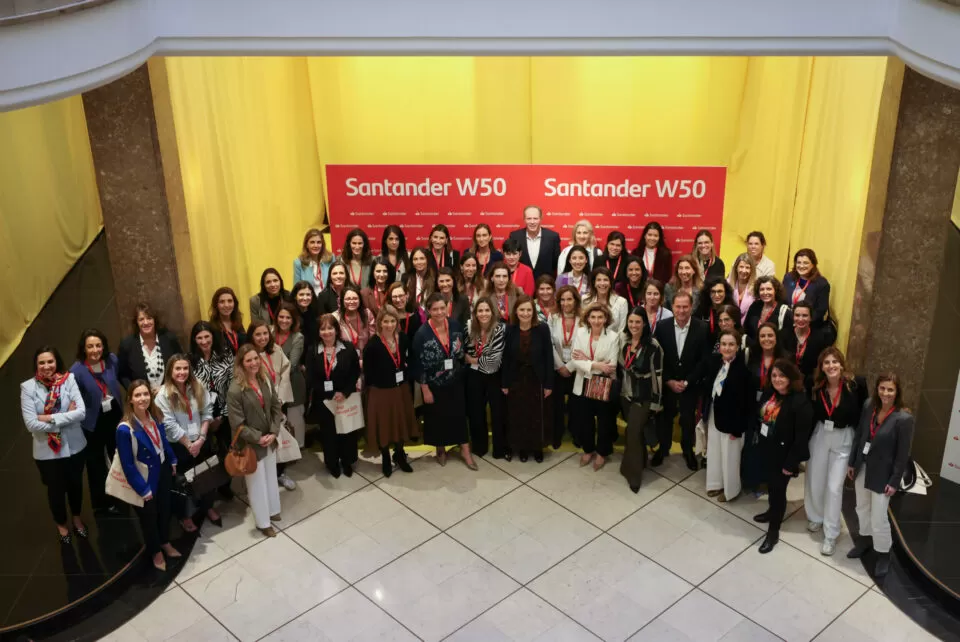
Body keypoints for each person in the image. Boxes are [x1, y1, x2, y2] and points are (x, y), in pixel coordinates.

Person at [846, 372, 914, 577]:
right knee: (861, 507)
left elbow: (902, 454)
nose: (885, 393)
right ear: (877, 388)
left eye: (890, 389)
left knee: (879, 516)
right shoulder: (869, 405)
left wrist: (894, 481)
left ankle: (884, 553)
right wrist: (852, 462)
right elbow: (860, 434)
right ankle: (865, 540)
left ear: (897, 392)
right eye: (882, 388)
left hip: (883, 474)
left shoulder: (903, 419)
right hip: (863, 467)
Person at [804, 348, 868, 556]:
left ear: (841, 364)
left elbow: (863, 416)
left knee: (834, 487)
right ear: (821, 367)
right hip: (821, 434)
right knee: (815, 479)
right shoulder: (816, 386)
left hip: (844, 438)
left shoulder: (856, 385)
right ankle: (816, 516)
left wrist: (860, 450)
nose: (831, 366)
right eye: (826, 363)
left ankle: (831, 533)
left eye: (834, 362)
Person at [22, 347, 88, 543]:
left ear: (56, 361)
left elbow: (81, 412)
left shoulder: (69, 379)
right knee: (56, 491)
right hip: (47, 453)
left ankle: (76, 518)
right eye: (41, 362)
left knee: (76, 486)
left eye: (50, 361)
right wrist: (66, 416)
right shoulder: (27, 388)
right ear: (36, 365)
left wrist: (48, 418)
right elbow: (31, 424)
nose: (46, 366)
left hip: (75, 447)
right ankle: (61, 525)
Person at [117, 380, 181, 569]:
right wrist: (142, 489)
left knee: (165, 509)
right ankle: (155, 551)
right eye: (137, 395)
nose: (143, 398)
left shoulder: (155, 415)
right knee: (149, 517)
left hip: (162, 470)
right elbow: (128, 465)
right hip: (145, 477)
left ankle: (165, 541)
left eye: (145, 394)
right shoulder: (125, 429)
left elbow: (163, 441)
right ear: (130, 400)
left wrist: (172, 459)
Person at [754, 359, 813, 554]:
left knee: (778, 492)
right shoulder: (770, 393)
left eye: (782, 376)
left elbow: (801, 438)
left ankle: (773, 531)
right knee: (771, 488)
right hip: (767, 450)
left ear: (790, 378)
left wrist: (791, 464)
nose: (777, 379)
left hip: (785, 456)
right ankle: (771, 512)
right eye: (774, 375)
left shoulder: (800, 401)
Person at [155, 354, 219, 532]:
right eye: (178, 368)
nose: (182, 372)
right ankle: (185, 516)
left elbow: (207, 412)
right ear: (170, 371)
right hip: (179, 446)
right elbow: (169, 425)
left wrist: (201, 439)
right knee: (181, 483)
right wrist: (189, 445)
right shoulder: (162, 395)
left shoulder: (198, 386)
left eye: (185, 368)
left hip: (200, 439)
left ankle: (207, 506)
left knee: (206, 475)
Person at [412, 293, 476, 469]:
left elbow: (461, 350)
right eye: (435, 309)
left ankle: (465, 450)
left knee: (459, 416)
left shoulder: (455, 326)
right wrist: (425, 389)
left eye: (442, 308)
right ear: (429, 310)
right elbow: (418, 364)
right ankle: (440, 449)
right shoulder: (422, 334)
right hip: (434, 384)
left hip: (456, 379)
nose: (440, 312)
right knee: (436, 418)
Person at [227, 346, 282, 537]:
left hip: (269, 438)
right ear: (241, 364)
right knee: (257, 484)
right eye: (248, 360)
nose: (254, 363)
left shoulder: (264, 379)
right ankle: (263, 522)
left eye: (256, 359)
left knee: (271, 477)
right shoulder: (235, 390)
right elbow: (237, 424)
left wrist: (274, 432)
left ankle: (273, 510)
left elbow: (276, 406)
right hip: (251, 444)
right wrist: (258, 438)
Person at [653, 291, 711, 470]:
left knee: (687, 419)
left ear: (691, 307)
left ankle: (688, 450)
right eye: (678, 306)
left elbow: (703, 360)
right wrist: (668, 380)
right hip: (668, 384)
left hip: (690, 384)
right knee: (665, 418)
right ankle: (663, 449)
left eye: (685, 306)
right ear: (672, 307)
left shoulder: (702, 328)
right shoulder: (662, 327)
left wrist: (688, 382)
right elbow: (658, 357)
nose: (682, 310)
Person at [70, 329, 123, 515]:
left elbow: (117, 380)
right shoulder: (76, 371)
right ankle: (102, 501)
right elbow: (73, 399)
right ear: (83, 349)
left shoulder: (112, 360)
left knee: (119, 454)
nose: (95, 350)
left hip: (114, 413)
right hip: (92, 420)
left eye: (98, 345)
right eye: (90, 346)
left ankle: (122, 491)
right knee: (96, 463)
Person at [363, 306, 418, 477]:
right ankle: (386, 457)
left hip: (400, 389)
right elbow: (368, 373)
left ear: (397, 322)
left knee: (401, 423)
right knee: (384, 425)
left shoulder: (403, 338)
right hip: (381, 392)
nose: (389, 325)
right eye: (385, 321)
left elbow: (409, 358)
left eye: (393, 321)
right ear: (379, 322)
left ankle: (399, 454)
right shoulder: (372, 345)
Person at [306, 315, 362, 478]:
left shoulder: (348, 348)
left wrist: (344, 392)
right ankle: (332, 463)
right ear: (318, 332)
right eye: (322, 329)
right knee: (329, 433)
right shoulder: (312, 350)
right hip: (324, 400)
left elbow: (355, 372)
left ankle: (347, 461)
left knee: (347, 431)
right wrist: (330, 394)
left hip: (345, 397)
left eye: (330, 328)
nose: (327, 332)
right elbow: (311, 378)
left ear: (337, 330)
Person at [501, 295, 554, 463]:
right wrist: (505, 383)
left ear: (533, 312)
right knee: (518, 414)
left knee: (536, 415)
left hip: (536, 379)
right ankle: (522, 448)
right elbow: (506, 358)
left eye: (528, 310)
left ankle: (537, 448)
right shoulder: (510, 329)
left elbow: (548, 357)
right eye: (522, 309)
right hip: (516, 379)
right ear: (516, 311)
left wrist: (548, 384)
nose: (525, 313)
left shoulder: (542, 329)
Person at [570, 302, 620, 471]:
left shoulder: (613, 337)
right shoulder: (581, 332)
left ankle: (602, 452)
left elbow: (611, 366)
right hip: (583, 383)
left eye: (600, 317)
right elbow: (575, 359)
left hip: (603, 384)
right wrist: (597, 365)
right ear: (588, 318)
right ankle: (588, 449)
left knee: (605, 420)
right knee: (585, 420)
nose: (597, 321)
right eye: (593, 317)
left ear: (606, 319)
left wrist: (587, 360)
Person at [702, 330, 752, 503]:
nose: (727, 348)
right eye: (724, 344)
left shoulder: (743, 371)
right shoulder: (716, 363)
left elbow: (746, 404)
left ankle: (731, 490)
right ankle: (715, 483)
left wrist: (738, 429)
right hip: (715, 415)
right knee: (715, 451)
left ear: (738, 347)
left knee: (730, 457)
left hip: (732, 422)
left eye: (731, 344)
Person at [188, 321, 235, 500]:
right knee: (206, 454)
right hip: (201, 417)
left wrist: (222, 415)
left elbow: (232, 384)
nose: (204, 341)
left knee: (226, 450)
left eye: (207, 336)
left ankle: (225, 485)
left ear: (213, 337)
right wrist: (208, 418)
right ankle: (209, 491)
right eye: (199, 338)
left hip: (225, 411)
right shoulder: (189, 360)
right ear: (194, 340)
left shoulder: (225, 354)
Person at [618, 310, 663, 493]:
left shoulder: (653, 346)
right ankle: (640, 461)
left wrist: (656, 402)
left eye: (638, 322)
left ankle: (634, 476)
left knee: (633, 432)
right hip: (626, 393)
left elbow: (657, 376)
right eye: (631, 321)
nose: (634, 325)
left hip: (644, 395)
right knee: (634, 431)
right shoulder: (624, 340)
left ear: (644, 323)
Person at [248, 320, 294, 490]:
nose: (262, 338)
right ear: (251, 336)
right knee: (265, 439)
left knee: (279, 436)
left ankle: (281, 473)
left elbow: (285, 371)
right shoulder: (249, 354)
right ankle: (264, 475)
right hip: (261, 403)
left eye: (265, 333)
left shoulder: (276, 350)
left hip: (280, 399)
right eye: (258, 334)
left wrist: (280, 398)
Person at [742, 322, 786, 496]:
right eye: (762, 336)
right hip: (752, 405)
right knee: (752, 443)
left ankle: (767, 481)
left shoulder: (785, 358)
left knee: (770, 444)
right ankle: (751, 479)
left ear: (776, 338)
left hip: (774, 407)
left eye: (770, 335)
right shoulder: (751, 356)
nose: (766, 339)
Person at [463, 297, 506, 458]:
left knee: (497, 412)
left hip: (494, 376)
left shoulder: (499, 329)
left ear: (493, 312)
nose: (483, 314)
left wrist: (474, 360)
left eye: (487, 310)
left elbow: (494, 363)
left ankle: (499, 449)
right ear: (475, 313)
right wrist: (478, 360)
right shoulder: (469, 327)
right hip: (474, 376)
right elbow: (464, 353)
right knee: (476, 412)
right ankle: (479, 447)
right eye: (480, 310)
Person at [118, 302, 183, 392]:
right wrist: (135, 390)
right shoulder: (127, 345)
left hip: (170, 394)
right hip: (143, 398)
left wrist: (167, 387)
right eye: (141, 319)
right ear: (136, 322)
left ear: (155, 320)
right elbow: (122, 375)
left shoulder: (169, 339)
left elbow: (181, 365)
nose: (146, 322)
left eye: (149, 318)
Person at [274, 303, 307, 481]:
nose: (284, 320)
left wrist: (270, 369)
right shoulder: (269, 332)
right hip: (272, 386)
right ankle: (280, 451)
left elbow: (292, 364)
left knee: (295, 419)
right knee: (278, 419)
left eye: (288, 317)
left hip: (293, 384)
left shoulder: (297, 337)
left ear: (293, 320)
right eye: (281, 316)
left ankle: (295, 449)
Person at [549, 285, 583, 449]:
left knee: (577, 404)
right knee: (557, 405)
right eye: (562, 300)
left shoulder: (583, 319)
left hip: (577, 368)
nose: (565, 303)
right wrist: (560, 366)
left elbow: (584, 345)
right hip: (557, 367)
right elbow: (549, 343)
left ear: (575, 300)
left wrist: (570, 366)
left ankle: (576, 433)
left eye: (569, 299)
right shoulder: (553, 317)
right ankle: (557, 434)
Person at [781, 301, 827, 391]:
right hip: (786, 383)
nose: (800, 319)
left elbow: (821, 364)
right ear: (793, 317)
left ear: (811, 318)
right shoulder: (783, 335)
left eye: (805, 315)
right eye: (797, 315)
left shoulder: (820, 338)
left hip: (810, 386)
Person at [782, 248, 831, 330]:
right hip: (788, 324)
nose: (801, 266)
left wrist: (801, 321)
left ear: (813, 264)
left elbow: (821, 310)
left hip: (810, 327)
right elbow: (782, 300)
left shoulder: (822, 283)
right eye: (798, 262)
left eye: (805, 263)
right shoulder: (788, 277)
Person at [508, 205, 562, 279]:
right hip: (522, 282)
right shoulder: (515, 236)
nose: (532, 222)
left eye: (535, 218)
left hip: (545, 283)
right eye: (529, 218)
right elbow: (511, 260)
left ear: (541, 219)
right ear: (524, 219)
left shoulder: (552, 237)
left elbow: (556, 262)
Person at [743, 276, 794, 341]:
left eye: (769, 289)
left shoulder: (784, 311)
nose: (765, 292)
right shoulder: (754, 306)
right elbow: (746, 329)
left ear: (775, 290)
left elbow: (788, 338)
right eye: (762, 289)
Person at [583, 266, 629, 333]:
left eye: (605, 280)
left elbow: (622, 330)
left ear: (610, 283)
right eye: (599, 280)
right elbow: (583, 325)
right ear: (594, 283)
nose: (602, 283)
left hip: (614, 339)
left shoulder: (622, 302)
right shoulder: (585, 300)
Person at [334, 284, 377, 356]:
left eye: (355, 298)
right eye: (348, 299)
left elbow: (373, 338)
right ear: (342, 301)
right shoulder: (335, 317)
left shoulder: (367, 314)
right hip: (344, 356)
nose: (351, 302)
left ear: (360, 300)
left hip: (366, 354)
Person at [293, 227, 334, 295]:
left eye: (319, 242)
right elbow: (296, 288)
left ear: (322, 244)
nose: (316, 245)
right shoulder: (298, 263)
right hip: (309, 299)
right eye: (312, 242)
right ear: (306, 245)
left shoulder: (331, 258)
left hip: (328, 298)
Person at [694, 277, 735, 343]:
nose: (716, 295)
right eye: (713, 292)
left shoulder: (732, 310)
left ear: (726, 292)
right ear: (708, 293)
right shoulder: (702, 309)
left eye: (720, 291)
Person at [209, 286, 246, 356]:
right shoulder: (212, 328)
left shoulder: (238, 323)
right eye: (222, 302)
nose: (226, 305)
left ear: (234, 304)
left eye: (230, 301)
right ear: (216, 305)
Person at [728, 253, 757, 324]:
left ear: (752, 270)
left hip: (748, 325)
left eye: (747, 267)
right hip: (728, 324)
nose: (744, 271)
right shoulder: (727, 283)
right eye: (741, 267)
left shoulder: (756, 287)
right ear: (736, 268)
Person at [291, 281, 319, 353]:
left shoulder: (316, 312)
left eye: (308, 294)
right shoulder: (290, 314)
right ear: (295, 296)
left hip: (312, 353)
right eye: (301, 294)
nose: (305, 298)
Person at [406, 247, 437, 311]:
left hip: (431, 314)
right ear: (412, 262)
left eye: (422, 258)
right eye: (415, 259)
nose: (419, 262)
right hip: (412, 314)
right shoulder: (406, 278)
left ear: (427, 260)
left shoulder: (435, 278)